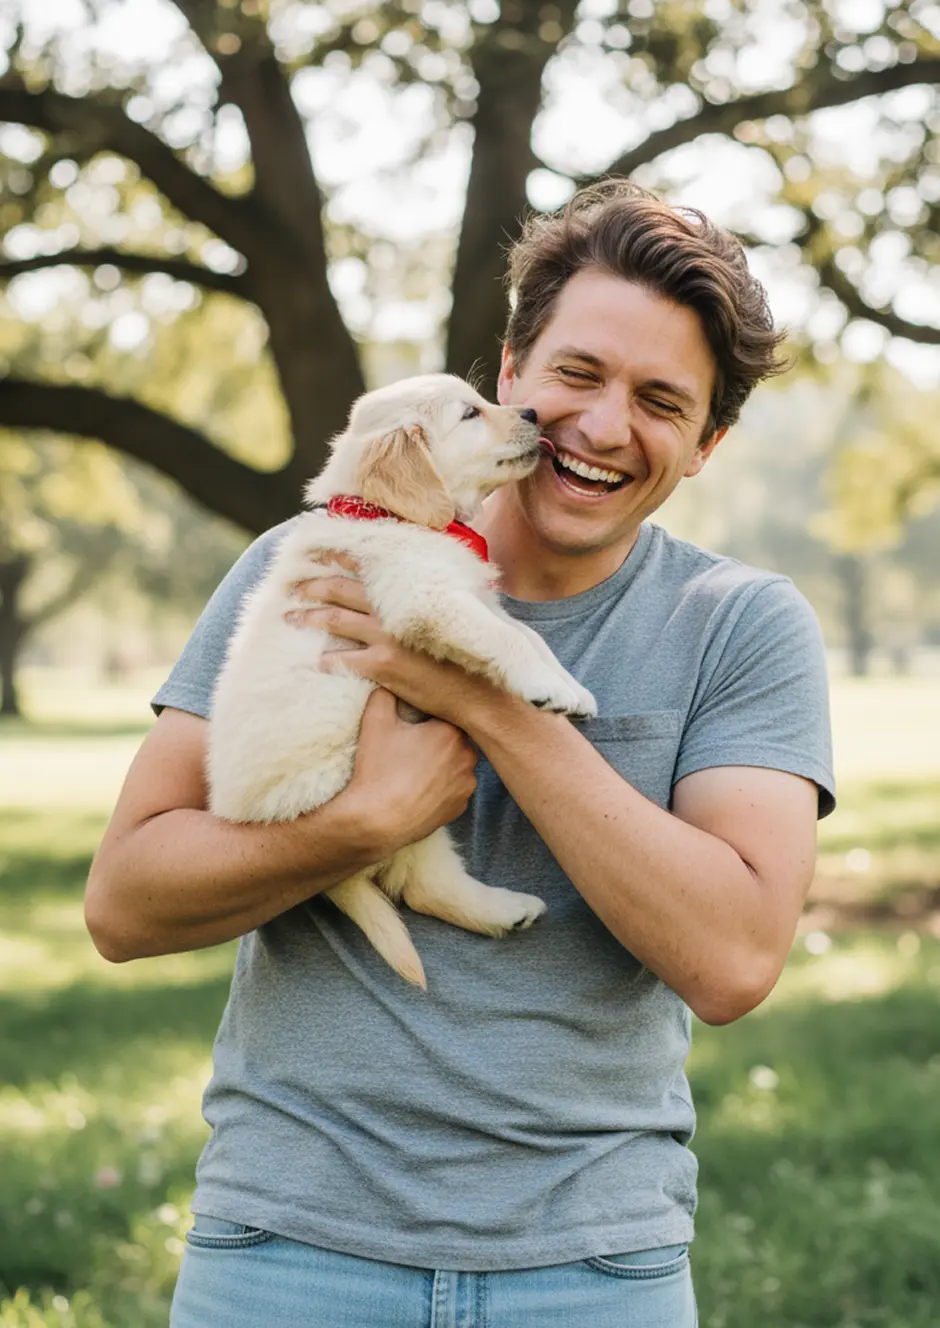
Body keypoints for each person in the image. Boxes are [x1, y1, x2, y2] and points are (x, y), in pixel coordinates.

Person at [85, 180, 835, 1327]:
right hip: (289, 1245)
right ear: (509, 374)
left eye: (659, 401)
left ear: (706, 443)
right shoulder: (311, 565)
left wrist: (470, 696)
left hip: (593, 1264)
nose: (598, 426)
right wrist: (357, 825)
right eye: (576, 374)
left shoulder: (738, 624)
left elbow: (733, 960)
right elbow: (125, 904)